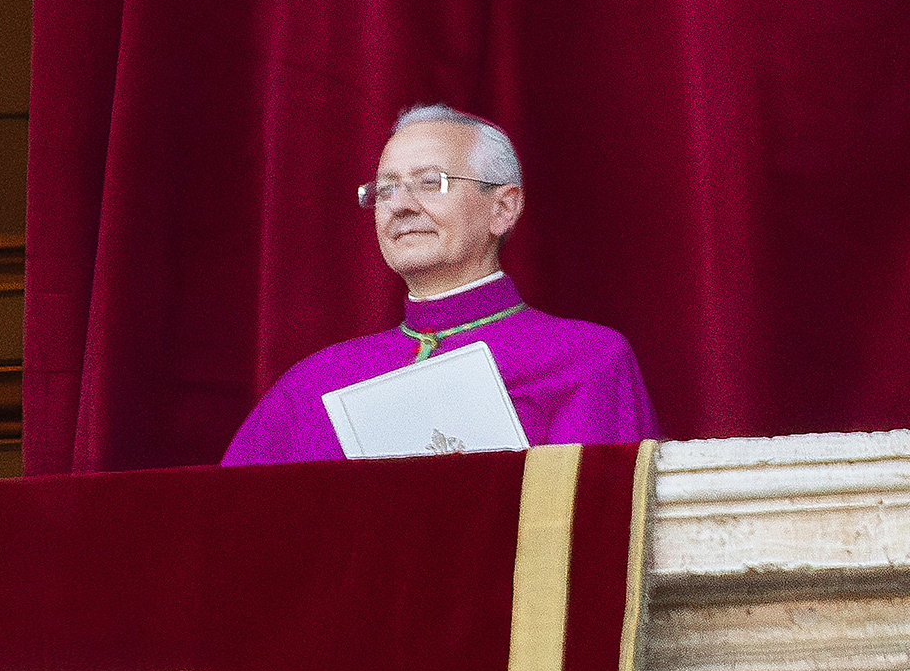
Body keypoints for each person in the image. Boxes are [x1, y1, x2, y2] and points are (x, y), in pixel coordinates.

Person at [223, 104, 658, 465]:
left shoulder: (586, 361)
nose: (401, 206)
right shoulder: (314, 384)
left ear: (503, 208)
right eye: (386, 189)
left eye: (431, 183)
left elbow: (601, 524)